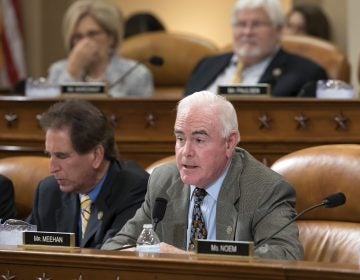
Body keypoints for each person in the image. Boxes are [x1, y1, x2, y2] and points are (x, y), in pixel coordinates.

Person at [102, 91, 304, 260]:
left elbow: (285, 255)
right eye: (180, 138)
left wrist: (187, 259)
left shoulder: (264, 188)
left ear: (229, 142)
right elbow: (114, 248)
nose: (185, 152)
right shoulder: (163, 181)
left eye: (199, 140)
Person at [27, 99, 149, 248]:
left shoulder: (134, 190)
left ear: (96, 155)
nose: (52, 168)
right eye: (50, 155)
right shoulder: (48, 192)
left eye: (62, 156)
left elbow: (112, 257)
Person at [184, 0, 327, 97]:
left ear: (278, 30)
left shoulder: (306, 74)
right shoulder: (205, 65)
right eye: (241, 24)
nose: (247, 32)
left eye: (256, 24)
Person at [47, 0, 154, 97]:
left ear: (111, 37)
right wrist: (72, 72)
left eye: (93, 34)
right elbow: (52, 113)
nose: (85, 43)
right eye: (77, 37)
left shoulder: (136, 74)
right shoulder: (57, 71)